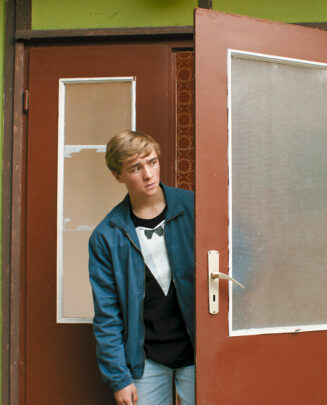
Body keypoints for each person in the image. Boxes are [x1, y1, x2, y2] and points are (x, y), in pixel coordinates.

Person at [88, 130, 195, 405]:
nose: (148, 174)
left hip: (199, 349)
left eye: (152, 162)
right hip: (146, 359)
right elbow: (107, 314)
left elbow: (237, 254)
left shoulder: (194, 207)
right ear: (118, 175)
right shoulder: (106, 236)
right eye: (136, 168)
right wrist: (119, 378)